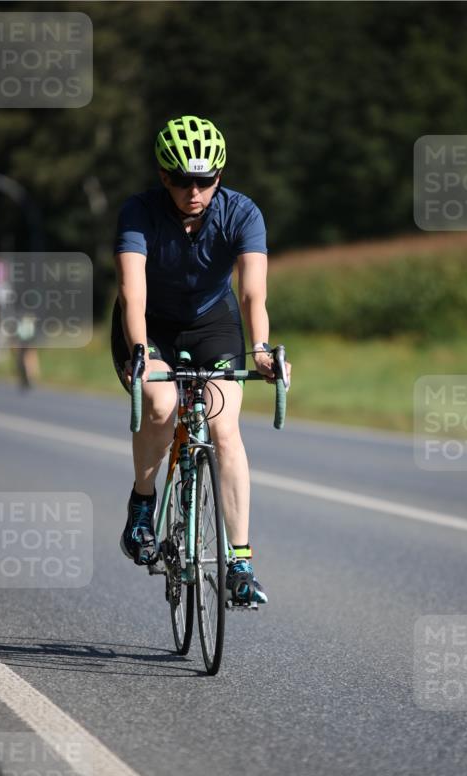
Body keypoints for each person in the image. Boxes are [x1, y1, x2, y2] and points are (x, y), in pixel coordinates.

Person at [112, 115, 289, 605]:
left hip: (214, 322)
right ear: (164, 177)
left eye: (205, 180)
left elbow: (254, 293)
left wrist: (260, 348)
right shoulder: (138, 213)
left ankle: (240, 561)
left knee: (225, 425)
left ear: (219, 177)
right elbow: (133, 291)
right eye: (183, 180)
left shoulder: (242, 213)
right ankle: (143, 505)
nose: (195, 191)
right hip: (150, 324)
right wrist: (140, 351)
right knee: (162, 406)